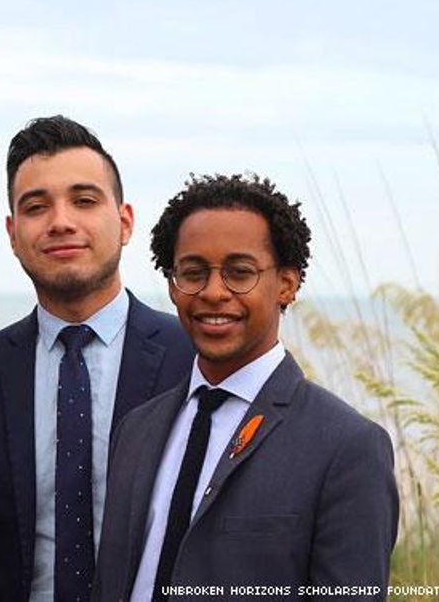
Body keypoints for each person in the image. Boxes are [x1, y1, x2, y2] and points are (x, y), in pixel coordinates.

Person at [94, 174, 399, 601]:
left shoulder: (347, 448)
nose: (213, 292)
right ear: (172, 285)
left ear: (287, 284)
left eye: (240, 273)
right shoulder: (136, 430)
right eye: (193, 273)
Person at [0, 116, 194, 602]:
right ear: (13, 233)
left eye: (84, 201)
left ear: (125, 221)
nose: (60, 221)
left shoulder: (192, 360)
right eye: (36, 207)